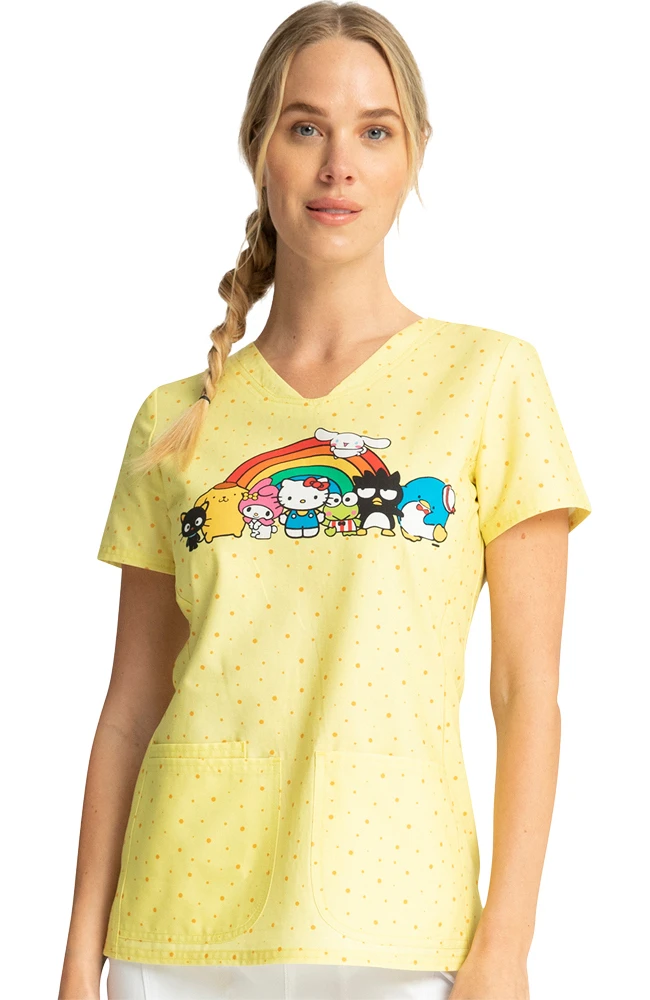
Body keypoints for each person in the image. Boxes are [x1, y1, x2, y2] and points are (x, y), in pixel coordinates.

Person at [58, 3, 592, 999]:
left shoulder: (490, 381)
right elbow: (129, 710)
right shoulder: (174, 420)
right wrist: (78, 959)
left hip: (403, 935)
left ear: (413, 150)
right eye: (305, 127)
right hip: (176, 936)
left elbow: (525, 691)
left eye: (373, 131)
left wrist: (505, 947)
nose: (338, 164)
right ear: (259, 148)